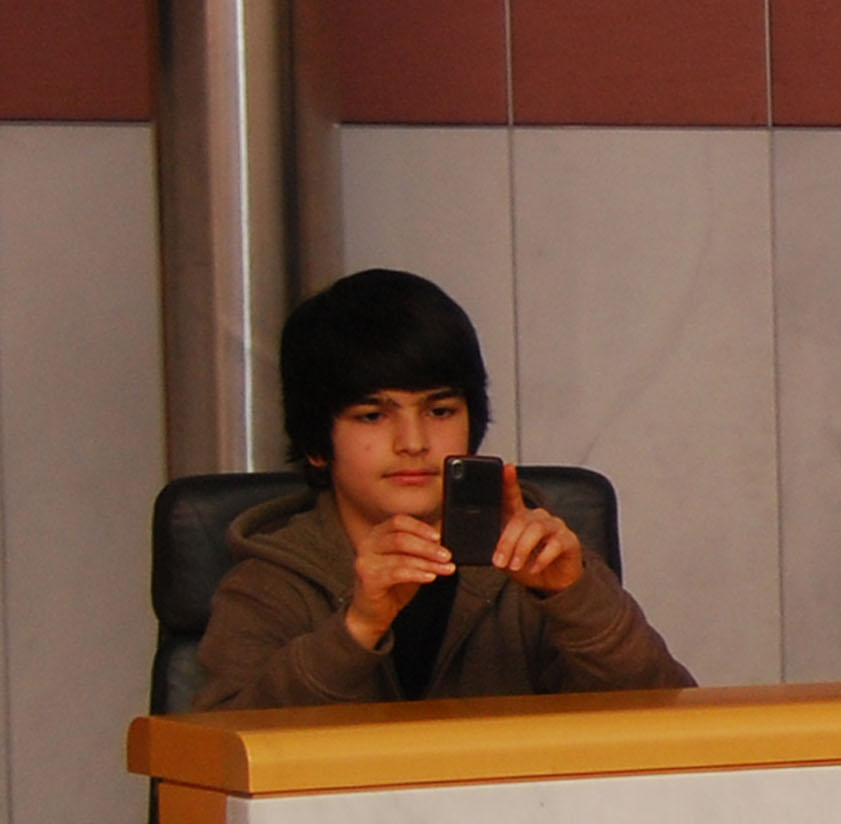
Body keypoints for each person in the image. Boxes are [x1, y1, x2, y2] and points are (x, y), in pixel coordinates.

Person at [193, 270, 694, 710]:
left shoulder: (530, 557)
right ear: (316, 445)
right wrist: (356, 629)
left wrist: (574, 597)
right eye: (372, 416)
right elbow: (217, 756)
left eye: (440, 411)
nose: (413, 443)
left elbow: (670, 721)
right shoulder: (269, 581)